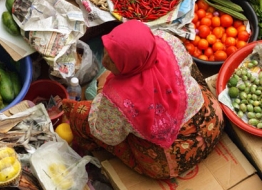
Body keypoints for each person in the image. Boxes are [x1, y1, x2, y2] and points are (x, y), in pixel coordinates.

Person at [62, 20, 224, 179]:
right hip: (212, 123)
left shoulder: (118, 98)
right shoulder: (166, 41)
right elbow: (188, 67)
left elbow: (107, 136)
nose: (104, 62)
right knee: (187, 75)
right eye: (105, 52)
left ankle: (85, 146)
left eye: (112, 61)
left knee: (80, 114)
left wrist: (100, 95)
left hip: (173, 160)